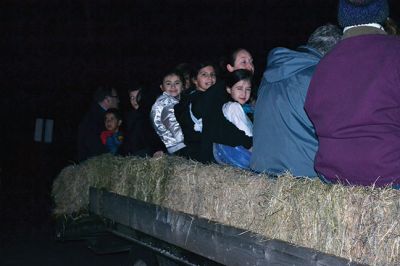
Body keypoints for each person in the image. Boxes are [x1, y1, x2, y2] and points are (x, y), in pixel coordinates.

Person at [304, 0, 400, 187]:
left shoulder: (324, 62)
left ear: (342, 17)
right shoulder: (395, 52)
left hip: (334, 174)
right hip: (389, 172)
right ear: (382, 12)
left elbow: (311, 108)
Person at [250, 24, 342, 177]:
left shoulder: (268, 75)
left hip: (262, 168)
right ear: (334, 53)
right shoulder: (320, 76)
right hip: (303, 173)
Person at [198, 48, 254, 163]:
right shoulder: (217, 92)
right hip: (218, 155)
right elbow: (218, 128)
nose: (250, 66)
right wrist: (250, 143)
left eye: (251, 62)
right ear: (230, 68)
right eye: (244, 62)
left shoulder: (247, 92)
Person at [175, 62, 217, 161]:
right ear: (194, 80)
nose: (210, 78)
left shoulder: (190, 97)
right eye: (204, 75)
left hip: (193, 153)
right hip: (202, 155)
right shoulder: (200, 99)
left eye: (212, 74)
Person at [213, 69, 253, 169]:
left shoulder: (230, 106)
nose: (244, 93)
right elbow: (245, 132)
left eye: (248, 89)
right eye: (239, 88)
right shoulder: (233, 107)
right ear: (229, 89)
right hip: (239, 154)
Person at [120, 86, 166, 157]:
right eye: (132, 97)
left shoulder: (152, 113)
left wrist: (157, 149)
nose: (135, 100)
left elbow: (155, 136)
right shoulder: (129, 117)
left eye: (138, 97)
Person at [77, 86, 120, 162]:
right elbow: (95, 149)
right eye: (116, 97)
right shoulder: (94, 119)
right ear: (107, 100)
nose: (118, 100)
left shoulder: (95, 116)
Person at [150, 70, 187, 156]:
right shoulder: (166, 102)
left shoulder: (176, 101)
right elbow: (172, 124)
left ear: (183, 86)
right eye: (168, 83)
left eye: (177, 83)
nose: (173, 86)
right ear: (162, 87)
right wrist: (185, 142)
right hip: (176, 145)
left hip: (172, 144)